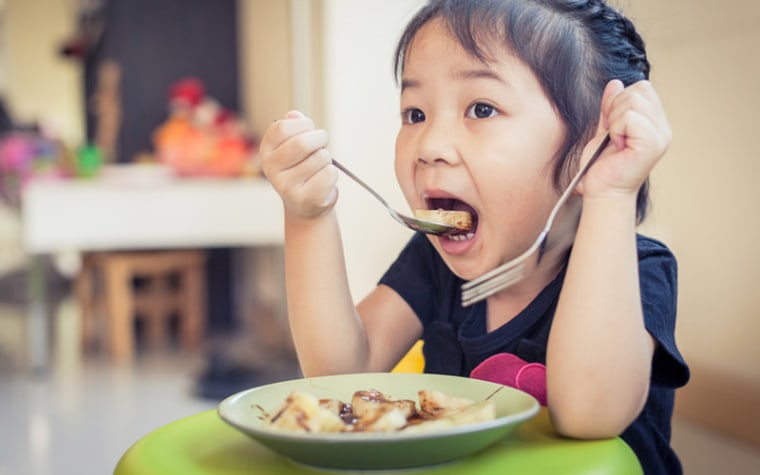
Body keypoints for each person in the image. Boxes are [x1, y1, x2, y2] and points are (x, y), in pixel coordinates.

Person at [259, 0, 689, 473]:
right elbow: (341, 374)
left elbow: (589, 414)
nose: (430, 146)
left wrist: (609, 192)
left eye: (481, 108)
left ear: (596, 142)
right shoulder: (431, 261)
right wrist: (308, 218)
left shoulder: (639, 269)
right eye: (415, 113)